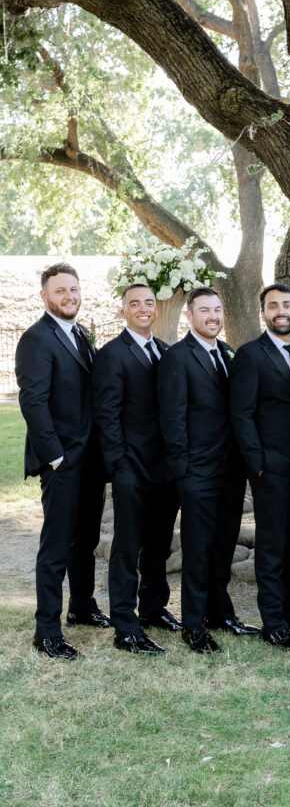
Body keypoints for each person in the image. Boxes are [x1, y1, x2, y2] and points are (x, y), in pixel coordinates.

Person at [230, 283, 290, 655]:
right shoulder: (250, 355)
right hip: (270, 469)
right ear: (264, 314)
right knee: (272, 548)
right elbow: (241, 414)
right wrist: (258, 464)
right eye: (273, 306)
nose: (281, 311)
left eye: (287, 305)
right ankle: (273, 623)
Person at [15, 263, 109, 659]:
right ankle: (47, 630)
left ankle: (82, 607)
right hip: (62, 460)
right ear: (45, 297)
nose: (69, 296)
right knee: (55, 546)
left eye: (73, 289)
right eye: (60, 291)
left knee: (85, 541)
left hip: (90, 460)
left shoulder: (81, 335)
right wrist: (54, 456)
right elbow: (32, 401)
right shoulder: (36, 339)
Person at [157, 286, 257, 653]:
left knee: (223, 546)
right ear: (190, 316)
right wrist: (184, 471)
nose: (213, 316)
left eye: (217, 310)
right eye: (205, 311)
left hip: (231, 471)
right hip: (197, 472)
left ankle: (221, 613)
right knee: (197, 549)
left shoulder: (228, 353)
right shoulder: (177, 358)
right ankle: (193, 625)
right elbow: (172, 419)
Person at [92, 284, 181, 655]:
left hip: (165, 467)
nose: (143, 309)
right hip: (131, 467)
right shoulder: (112, 355)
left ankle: (154, 609)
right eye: (135, 304)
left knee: (158, 545)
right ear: (123, 310)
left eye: (148, 303)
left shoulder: (164, 351)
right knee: (127, 549)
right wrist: (119, 466)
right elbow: (107, 415)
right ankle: (125, 626)